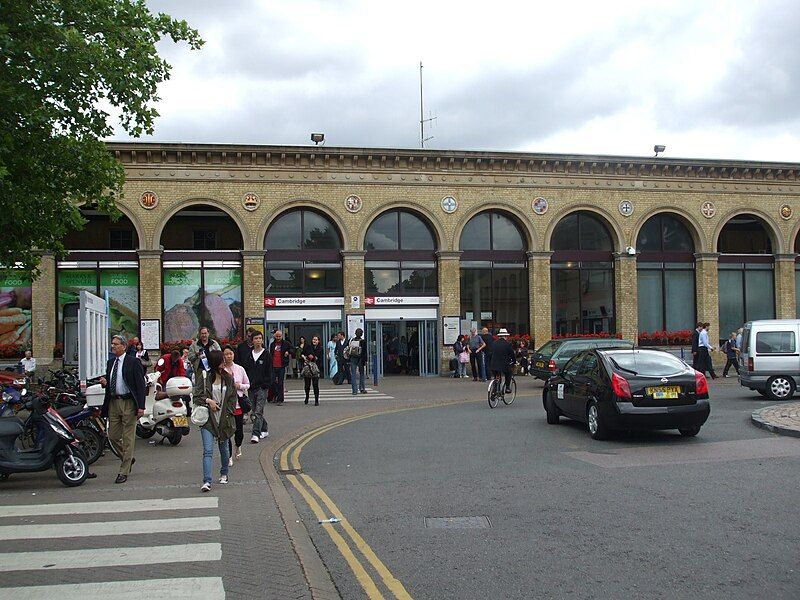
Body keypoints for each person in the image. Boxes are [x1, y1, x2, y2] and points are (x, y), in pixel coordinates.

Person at [99, 334, 146, 484]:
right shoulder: (110, 362)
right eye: (112, 344)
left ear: (124, 346)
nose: (113, 346)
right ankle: (127, 458)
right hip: (113, 402)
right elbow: (112, 380)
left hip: (128, 403)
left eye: (115, 344)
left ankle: (123, 470)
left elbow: (140, 385)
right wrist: (105, 382)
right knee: (112, 436)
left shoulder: (133, 362)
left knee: (128, 438)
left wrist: (141, 406)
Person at [192, 349, 236, 492]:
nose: (225, 362)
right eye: (222, 360)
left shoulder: (228, 378)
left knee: (224, 448)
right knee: (208, 451)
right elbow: (196, 396)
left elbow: (232, 399)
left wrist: (229, 414)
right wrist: (208, 400)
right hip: (208, 420)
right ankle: (207, 481)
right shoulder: (204, 378)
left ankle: (224, 473)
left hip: (223, 419)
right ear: (215, 362)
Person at [222, 345, 250, 464]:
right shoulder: (221, 370)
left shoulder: (240, 369)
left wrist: (240, 386)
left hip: (238, 404)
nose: (229, 356)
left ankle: (238, 445)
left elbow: (247, 384)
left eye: (231, 354)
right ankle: (228, 456)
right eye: (226, 354)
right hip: (226, 406)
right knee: (227, 432)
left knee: (239, 432)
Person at [242, 331, 271, 444]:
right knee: (254, 411)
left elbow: (269, 371)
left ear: (262, 340)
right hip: (251, 387)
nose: (258, 340)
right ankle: (264, 428)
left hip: (262, 387)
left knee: (258, 411)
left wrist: (266, 384)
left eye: (260, 338)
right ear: (252, 340)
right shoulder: (249, 355)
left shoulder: (266, 354)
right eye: (256, 338)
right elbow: (245, 370)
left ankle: (255, 434)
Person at [269, 330, 293, 405]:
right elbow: (271, 353)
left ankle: (280, 399)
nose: (278, 338)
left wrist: (288, 352)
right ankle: (275, 395)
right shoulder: (272, 344)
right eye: (277, 336)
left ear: (282, 336)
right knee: (272, 382)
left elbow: (292, 349)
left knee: (280, 383)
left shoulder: (286, 343)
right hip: (273, 365)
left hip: (281, 365)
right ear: (275, 336)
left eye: (279, 336)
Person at [488, 328, 516, 394]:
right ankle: (507, 387)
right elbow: (512, 354)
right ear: (506, 336)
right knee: (509, 373)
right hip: (504, 365)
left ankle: (494, 391)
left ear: (499, 336)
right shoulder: (508, 344)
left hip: (494, 364)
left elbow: (490, 354)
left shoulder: (494, 343)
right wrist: (514, 362)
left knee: (497, 377)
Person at [302, 335, 324, 405]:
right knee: (307, 385)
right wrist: (306, 357)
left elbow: (319, 358)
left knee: (315, 385)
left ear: (318, 341)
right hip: (308, 368)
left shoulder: (320, 348)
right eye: (313, 339)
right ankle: (307, 397)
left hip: (315, 368)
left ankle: (316, 400)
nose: (314, 341)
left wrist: (313, 357)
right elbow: (303, 354)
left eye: (316, 340)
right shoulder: (308, 347)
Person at [348, 328, 368, 395]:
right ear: (361, 334)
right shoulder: (363, 341)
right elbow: (365, 352)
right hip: (360, 359)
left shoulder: (352, 340)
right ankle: (362, 388)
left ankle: (354, 390)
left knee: (353, 374)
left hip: (353, 358)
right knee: (361, 374)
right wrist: (365, 360)